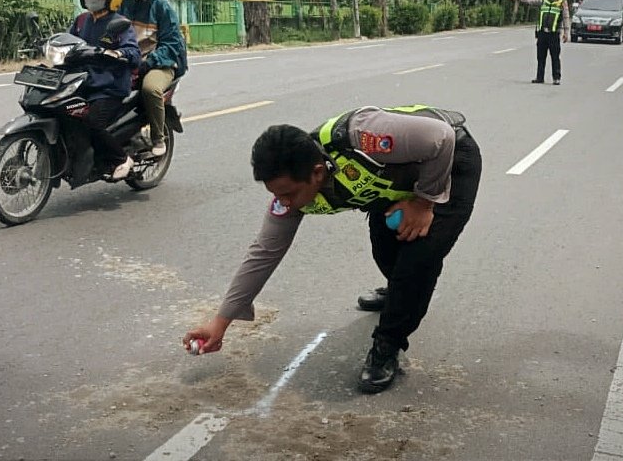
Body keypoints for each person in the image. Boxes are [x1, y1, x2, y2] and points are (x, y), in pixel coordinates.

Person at [182, 105, 482, 394]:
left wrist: (424, 201)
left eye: (288, 194)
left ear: (316, 173)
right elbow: (264, 252)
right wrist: (220, 323)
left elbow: (441, 137)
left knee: (417, 262)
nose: (284, 202)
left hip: (448, 164)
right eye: (276, 194)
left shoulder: (363, 137)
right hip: (395, 184)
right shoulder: (292, 191)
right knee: (386, 252)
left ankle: (388, 345)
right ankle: (398, 294)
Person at [69, 0, 141, 180]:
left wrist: (117, 53)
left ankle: (121, 159)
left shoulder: (118, 23)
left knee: (93, 122)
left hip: (109, 87)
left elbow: (134, 53)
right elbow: (69, 42)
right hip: (83, 82)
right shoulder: (81, 21)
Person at [118, 0, 188, 158]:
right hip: (128, 62)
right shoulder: (122, 6)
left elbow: (172, 44)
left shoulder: (161, 8)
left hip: (159, 64)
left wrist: (147, 63)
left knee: (150, 88)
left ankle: (158, 137)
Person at [506, 0, 570, 85]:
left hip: (554, 34)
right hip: (542, 34)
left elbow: (566, 17)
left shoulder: (562, 2)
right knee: (540, 57)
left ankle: (556, 78)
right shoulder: (543, 0)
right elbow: (530, 1)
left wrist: (566, 33)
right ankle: (540, 77)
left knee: (555, 57)